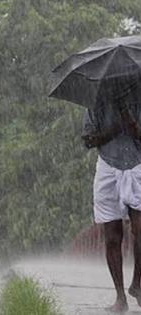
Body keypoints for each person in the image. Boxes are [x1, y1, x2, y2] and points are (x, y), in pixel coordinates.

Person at [82, 100, 141, 313]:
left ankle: (137, 283)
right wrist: (115, 128)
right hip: (108, 166)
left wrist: (134, 128)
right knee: (112, 236)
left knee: (139, 229)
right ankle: (120, 296)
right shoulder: (96, 100)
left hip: (138, 165)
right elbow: (88, 140)